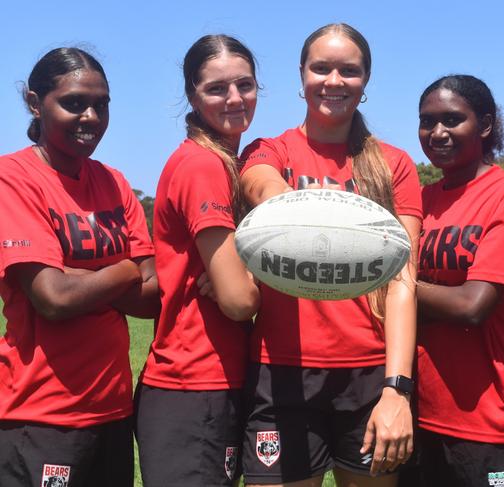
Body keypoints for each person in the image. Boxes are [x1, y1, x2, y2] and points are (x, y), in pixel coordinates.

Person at [239, 23, 422, 487]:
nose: (334, 81)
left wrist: (396, 390)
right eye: (321, 68)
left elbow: (404, 281)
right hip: (280, 372)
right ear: (301, 75)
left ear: (366, 80)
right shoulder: (270, 149)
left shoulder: (394, 164)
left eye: (349, 70)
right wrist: (297, 208)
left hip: (368, 376)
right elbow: (259, 184)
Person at [0, 47, 158, 487]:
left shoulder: (113, 182)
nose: (91, 116)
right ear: (35, 103)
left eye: (101, 104)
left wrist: (77, 279)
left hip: (112, 409)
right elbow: (52, 298)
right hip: (41, 415)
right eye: (73, 103)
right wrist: (126, 270)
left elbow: (154, 298)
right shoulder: (12, 178)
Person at [134, 35, 260, 487]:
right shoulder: (203, 166)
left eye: (245, 85)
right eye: (216, 88)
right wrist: (247, 279)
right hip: (192, 384)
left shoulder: (225, 161)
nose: (234, 98)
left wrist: (240, 269)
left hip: (210, 381)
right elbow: (239, 300)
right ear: (191, 95)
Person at [411, 75, 504, 487]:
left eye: (452, 120)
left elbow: (474, 305)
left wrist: (387, 284)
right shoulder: (419, 201)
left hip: (492, 417)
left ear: (484, 125)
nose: (437, 133)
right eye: (427, 121)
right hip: (421, 414)